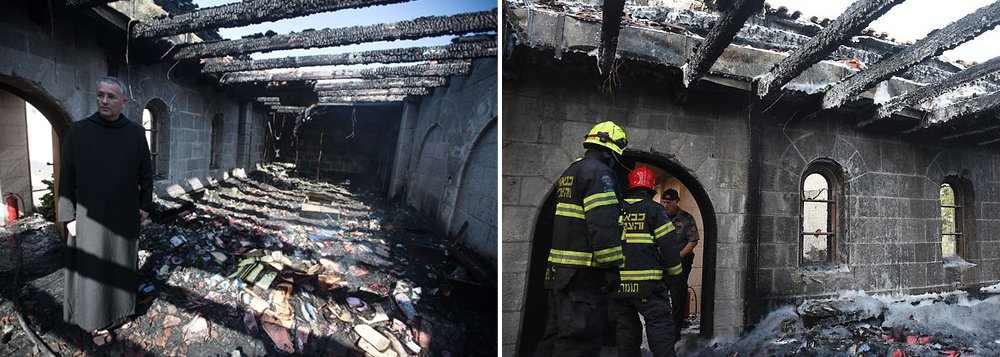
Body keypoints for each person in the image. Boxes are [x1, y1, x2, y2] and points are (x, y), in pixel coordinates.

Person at [58, 76, 153, 345]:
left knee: (122, 264)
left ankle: (120, 312)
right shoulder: (78, 132)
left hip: (124, 215)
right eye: (100, 95)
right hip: (88, 219)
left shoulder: (135, 133)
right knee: (94, 271)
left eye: (111, 96)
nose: (104, 101)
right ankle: (95, 323)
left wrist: (145, 205)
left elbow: (145, 173)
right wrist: (69, 216)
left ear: (123, 102)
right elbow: (66, 177)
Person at [533, 121, 628, 357]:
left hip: (560, 273)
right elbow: (603, 223)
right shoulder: (600, 174)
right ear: (611, 153)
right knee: (579, 341)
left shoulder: (571, 171)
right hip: (582, 276)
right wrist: (612, 267)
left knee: (555, 335)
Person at [609, 167, 682, 357]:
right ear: (651, 189)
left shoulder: (616, 208)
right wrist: (674, 274)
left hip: (618, 285)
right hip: (648, 286)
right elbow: (668, 245)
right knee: (660, 327)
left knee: (626, 330)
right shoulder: (655, 210)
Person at [661, 188, 700, 340]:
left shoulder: (686, 218)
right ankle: (662, 329)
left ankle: (674, 333)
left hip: (680, 265)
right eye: (663, 202)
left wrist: (677, 257)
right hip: (661, 265)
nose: (665, 205)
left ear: (677, 202)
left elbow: (693, 240)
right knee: (660, 298)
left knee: (678, 300)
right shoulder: (659, 216)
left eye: (669, 203)